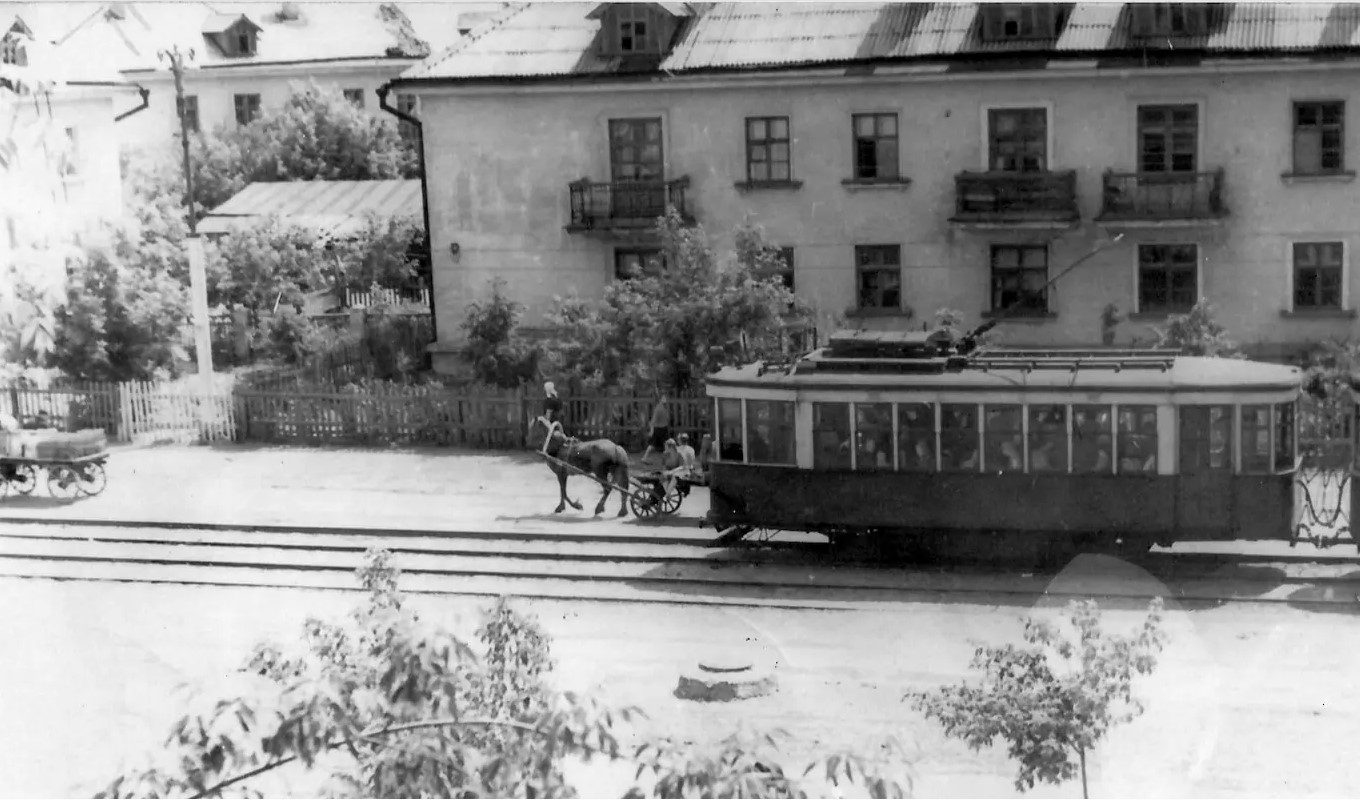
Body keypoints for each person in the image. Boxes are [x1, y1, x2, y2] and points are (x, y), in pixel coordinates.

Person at [641, 395, 671, 464]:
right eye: (663, 398)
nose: (665, 399)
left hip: (661, 428)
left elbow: (666, 419)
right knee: (662, 445)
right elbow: (654, 421)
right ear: (660, 400)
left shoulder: (662, 408)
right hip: (660, 429)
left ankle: (645, 457)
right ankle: (646, 458)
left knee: (655, 445)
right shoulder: (660, 408)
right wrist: (652, 430)